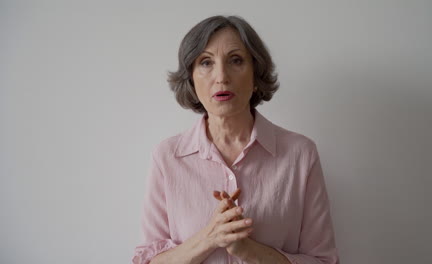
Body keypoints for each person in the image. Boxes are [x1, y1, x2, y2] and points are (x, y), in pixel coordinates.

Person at [132, 15, 340, 264]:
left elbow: (325, 261)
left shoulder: (300, 154)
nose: (221, 76)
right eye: (206, 62)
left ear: (255, 74)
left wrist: (249, 251)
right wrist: (209, 238)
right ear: (191, 78)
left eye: (236, 60)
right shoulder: (167, 156)